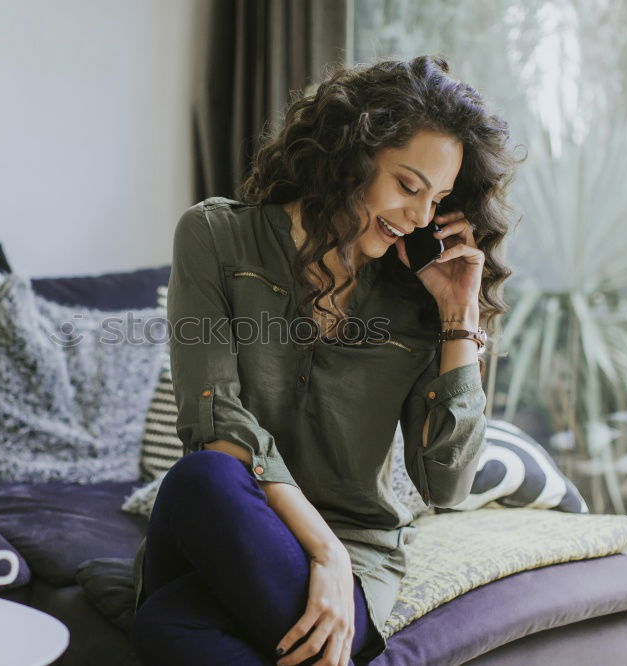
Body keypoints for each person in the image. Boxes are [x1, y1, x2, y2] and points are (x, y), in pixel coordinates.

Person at [129, 54, 522, 666]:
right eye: (407, 185)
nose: (419, 218)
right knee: (201, 477)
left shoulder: (416, 293)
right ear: (347, 156)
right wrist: (323, 552)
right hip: (236, 524)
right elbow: (216, 427)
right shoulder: (214, 238)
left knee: (165, 628)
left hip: (360, 559)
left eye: (438, 198)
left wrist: (458, 317)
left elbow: (445, 484)